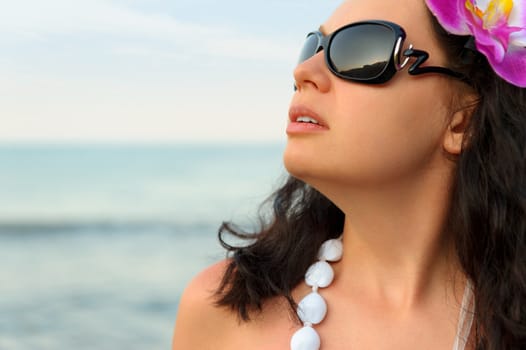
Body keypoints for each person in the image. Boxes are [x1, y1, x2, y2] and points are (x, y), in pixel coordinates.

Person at [172, 0, 526, 348]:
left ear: (463, 123)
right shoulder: (221, 309)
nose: (303, 72)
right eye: (313, 47)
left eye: (361, 50)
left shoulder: (510, 323)